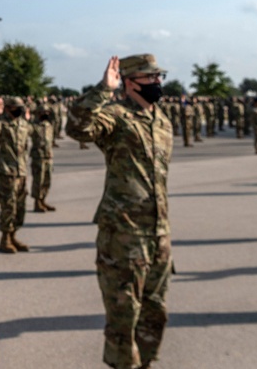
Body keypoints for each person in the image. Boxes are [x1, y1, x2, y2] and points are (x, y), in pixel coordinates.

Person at [66, 54, 173, 369]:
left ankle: (147, 362)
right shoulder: (116, 116)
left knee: (155, 312)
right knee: (123, 318)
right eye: (150, 78)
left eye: (158, 77)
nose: (157, 83)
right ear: (131, 82)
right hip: (123, 236)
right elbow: (78, 127)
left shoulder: (163, 121)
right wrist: (103, 89)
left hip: (159, 234)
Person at [0, 96, 32, 253]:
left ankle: (13, 235)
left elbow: (36, 131)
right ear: (8, 109)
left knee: (20, 207)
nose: (19, 110)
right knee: (8, 206)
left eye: (21, 107)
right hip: (6, 172)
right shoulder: (2, 124)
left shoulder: (24, 125)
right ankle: (5, 239)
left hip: (22, 172)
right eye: (16, 107)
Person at [30, 100, 56, 212]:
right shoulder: (34, 126)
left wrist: (50, 107)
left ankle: (43, 200)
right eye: (43, 112)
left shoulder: (49, 125)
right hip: (38, 157)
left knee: (47, 180)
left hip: (48, 156)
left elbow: (55, 116)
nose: (45, 114)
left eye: (47, 112)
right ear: (38, 113)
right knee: (38, 180)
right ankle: (37, 202)